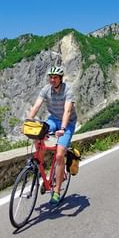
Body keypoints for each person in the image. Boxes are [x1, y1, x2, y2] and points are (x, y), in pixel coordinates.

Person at [26, 65, 77, 205]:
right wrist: (28, 121)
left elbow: (67, 111)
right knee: (38, 136)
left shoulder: (68, 90)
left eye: (55, 77)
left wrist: (62, 128)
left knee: (60, 155)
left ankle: (57, 191)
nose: (52, 80)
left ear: (60, 79)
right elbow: (36, 106)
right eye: (51, 77)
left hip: (67, 123)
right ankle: (39, 167)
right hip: (53, 119)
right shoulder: (46, 90)